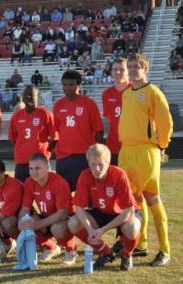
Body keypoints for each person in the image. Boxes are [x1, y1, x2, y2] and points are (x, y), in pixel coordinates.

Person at [118, 53, 173, 266]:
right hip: (126, 152)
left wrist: (162, 146)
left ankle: (165, 251)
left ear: (145, 68)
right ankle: (141, 244)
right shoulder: (127, 93)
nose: (132, 70)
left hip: (145, 152)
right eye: (129, 66)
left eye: (136, 66)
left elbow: (165, 122)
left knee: (151, 198)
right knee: (135, 201)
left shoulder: (153, 92)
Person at [68, 144, 141, 271]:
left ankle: (127, 254)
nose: (96, 169)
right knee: (73, 223)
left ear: (108, 163)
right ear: (88, 163)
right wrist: (90, 229)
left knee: (132, 227)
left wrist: (103, 230)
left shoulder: (119, 175)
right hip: (100, 211)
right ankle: (106, 251)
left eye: (100, 164)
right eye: (93, 165)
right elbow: (78, 207)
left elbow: (129, 211)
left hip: (122, 213)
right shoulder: (85, 176)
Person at [18, 153, 77, 265]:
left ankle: (71, 250)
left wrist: (39, 224)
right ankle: (51, 247)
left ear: (47, 167)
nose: (34, 172)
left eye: (37, 168)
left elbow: (62, 213)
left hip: (66, 218)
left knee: (57, 229)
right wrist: (21, 221)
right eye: (31, 168)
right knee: (26, 222)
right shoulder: (29, 182)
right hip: (47, 216)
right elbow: (25, 208)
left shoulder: (59, 183)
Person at [53, 70, 103, 191]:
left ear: (78, 85)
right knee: (63, 193)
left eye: (71, 84)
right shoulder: (58, 105)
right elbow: (55, 131)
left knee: (86, 192)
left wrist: (96, 154)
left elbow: (99, 131)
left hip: (83, 156)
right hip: (63, 158)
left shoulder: (89, 104)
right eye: (64, 84)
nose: (67, 87)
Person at [9, 85, 57, 182]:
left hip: (40, 161)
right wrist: (22, 150)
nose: (28, 98)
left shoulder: (46, 114)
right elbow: (13, 139)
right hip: (22, 162)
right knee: (21, 193)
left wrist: (45, 153)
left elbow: (55, 138)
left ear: (38, 97)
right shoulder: (16, 116)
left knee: (45, 193)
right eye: (26, 95)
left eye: (31, 95)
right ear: (22, 97)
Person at [101, 58, 131, 165]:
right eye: (115, 69)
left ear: (128, 71)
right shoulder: (106, 94)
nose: (118, 72)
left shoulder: (135, 91)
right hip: (113, 146)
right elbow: (108, 120)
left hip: (132, 146)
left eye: (122, 69)